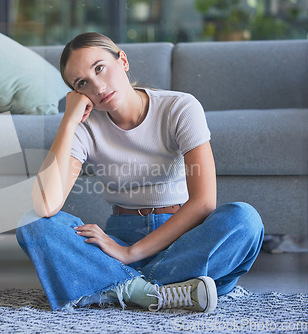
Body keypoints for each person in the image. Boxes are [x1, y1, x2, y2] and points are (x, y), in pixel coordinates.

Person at [16, 32, 264, 313]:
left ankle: (118, 287)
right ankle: (169, 291)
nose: (97, 86)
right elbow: (46, 205)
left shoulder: (180, 107)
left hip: (181, 240)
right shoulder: (84, 127)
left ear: (122, 60)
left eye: (100, 68)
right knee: (32, 223)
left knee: (245, 220)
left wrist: (129, 254)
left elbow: (204, 203)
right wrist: (68, 120)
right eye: (82, 83)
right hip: (120, 237)